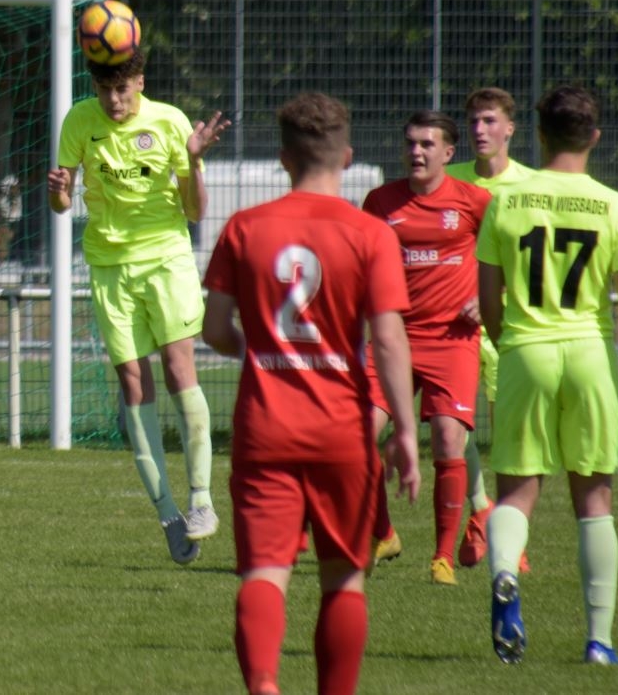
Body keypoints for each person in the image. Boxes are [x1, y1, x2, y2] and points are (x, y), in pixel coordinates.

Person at [201, 92, 421, 695]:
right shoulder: (371, 234)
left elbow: (214, 329)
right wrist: (405, 430)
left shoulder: (244, 228)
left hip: (265, 428)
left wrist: (261, 350)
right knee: (344, 581)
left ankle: (264, 685)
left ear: (283, 158)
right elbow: (388, 340)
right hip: (342, 432)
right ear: (346, 157)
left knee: (263, 573)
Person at [480, 84, 618, 665]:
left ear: (539, 135)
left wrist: (513, 343)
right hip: (589, 354)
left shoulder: (505, 202)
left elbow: (489, 299)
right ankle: (599, 641)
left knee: (516, 491)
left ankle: (505, 572)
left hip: (526, 350)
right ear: (594, 137)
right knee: (595, 498)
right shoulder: (615, 205)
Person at [47, 49, 229, 564]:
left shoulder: (170, 122)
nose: (113, 100)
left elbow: (195, 211)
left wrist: (195, 160)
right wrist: (60, 192)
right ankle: (169, 513)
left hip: (167, 259)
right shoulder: (79, 121)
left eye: (122, 89)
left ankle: (201, 500)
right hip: (109, 267)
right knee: (132, 380)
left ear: (140, 83)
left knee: (178, 367)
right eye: (105, 90)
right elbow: (61, 205)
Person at [362, 110, 493, 585]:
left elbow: (505, 258)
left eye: (427, 144)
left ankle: (442, 559)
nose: (416, 152)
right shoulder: (380, 201)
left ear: (448, 153)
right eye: (411, 143)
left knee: (446, 437)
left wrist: (488, 297)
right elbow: (362, 262)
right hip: (392, 337)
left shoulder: (475, 201)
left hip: (451, 340)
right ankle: (384, 533)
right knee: (357, 432)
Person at [446, 87, 535, 570]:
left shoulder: (530, 186)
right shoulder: (449, 179)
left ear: (510, 129)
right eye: (474, 122)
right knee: (454, 428)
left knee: (510, 438)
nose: (480, 130)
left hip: (507, 325)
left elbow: (534, 264)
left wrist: (492, 300)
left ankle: (506, 529)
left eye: (489, 121)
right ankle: (482, 509)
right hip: (453, 329)